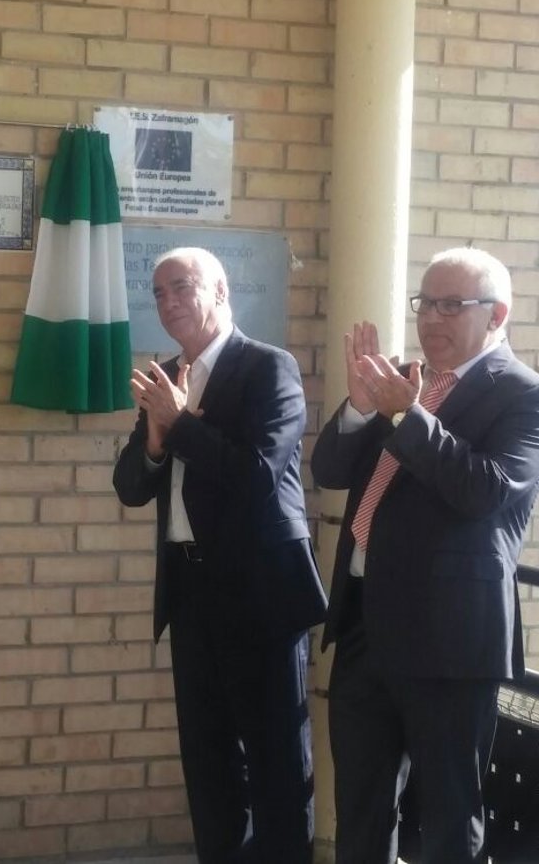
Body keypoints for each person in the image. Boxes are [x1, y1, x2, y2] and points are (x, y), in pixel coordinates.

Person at [311, 247, 539, 864]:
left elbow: (484, 490)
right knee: (361, 807)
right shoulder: (401, 382)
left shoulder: (530, 397)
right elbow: (330, 470)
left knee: (450, 817)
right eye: (425, 303)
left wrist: (406, 412)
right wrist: (362, 407)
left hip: (449, 641)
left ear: (496, 315)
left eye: (451, 305)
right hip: (365, 625)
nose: (430, 319)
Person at [113, 247, 327, 864]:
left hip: (260, 596)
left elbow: (258, 475)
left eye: (182, 286)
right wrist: (156, 439)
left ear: (221, 291)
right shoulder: (166, 376)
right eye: (158, 292)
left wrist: (180, 425)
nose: (168, 301)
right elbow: (131, 487)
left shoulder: (268, 367)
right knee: (209, 768)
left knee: (276, 765)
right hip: (190, 593)